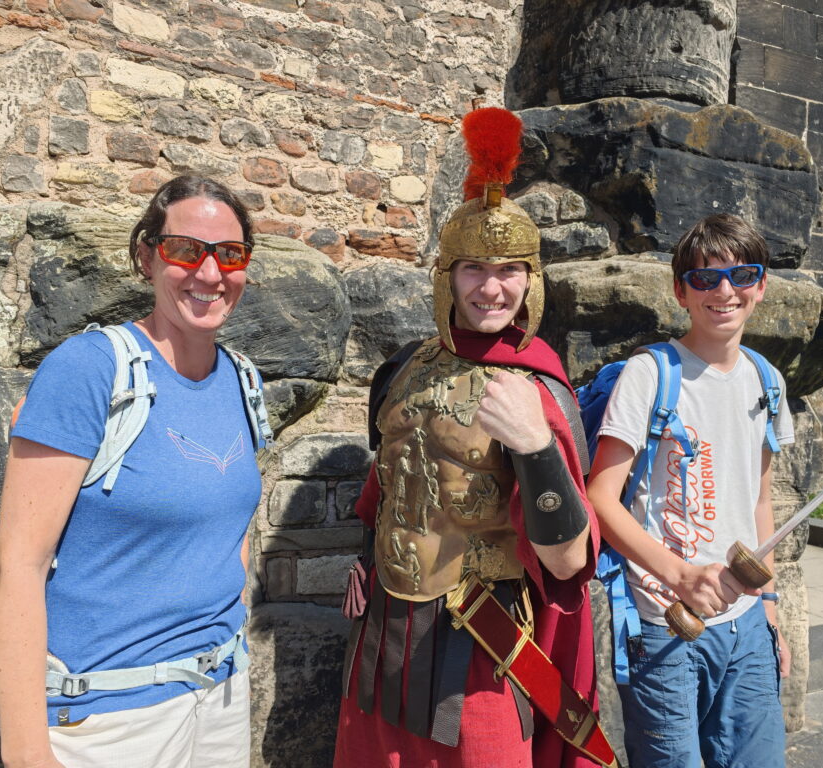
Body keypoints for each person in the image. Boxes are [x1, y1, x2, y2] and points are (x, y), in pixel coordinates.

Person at [333, 107, 609, 768]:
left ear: (531, 279)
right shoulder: (401, 370)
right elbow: (389, 479)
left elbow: (570, 564)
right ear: (446, 277)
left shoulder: (538, 386)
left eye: (510, 269)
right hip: (382, 639)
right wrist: (365, 558)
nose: (491, 287)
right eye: (473, 268)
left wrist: (536, 448)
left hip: (482, 645)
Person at [0, 176, 264, 768]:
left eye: (230, 254)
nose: (210, 274)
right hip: (109, 722)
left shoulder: (243, 380)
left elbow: (228, 530)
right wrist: (27, 753)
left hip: (220, 699)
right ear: (146, 256)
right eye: (185, 250)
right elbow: (16, 565)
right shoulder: (87, 371)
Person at [587, 213, 794, 768]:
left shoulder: (766, 379)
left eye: (742, 275)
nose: (724, 292)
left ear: (762, 285)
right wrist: (680, 575)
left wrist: (769, 607)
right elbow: (601, 497)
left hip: (747, 624)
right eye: (704, 279)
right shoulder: (651, 374)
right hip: (664, 624)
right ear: (680, 291)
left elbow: (760, 499)